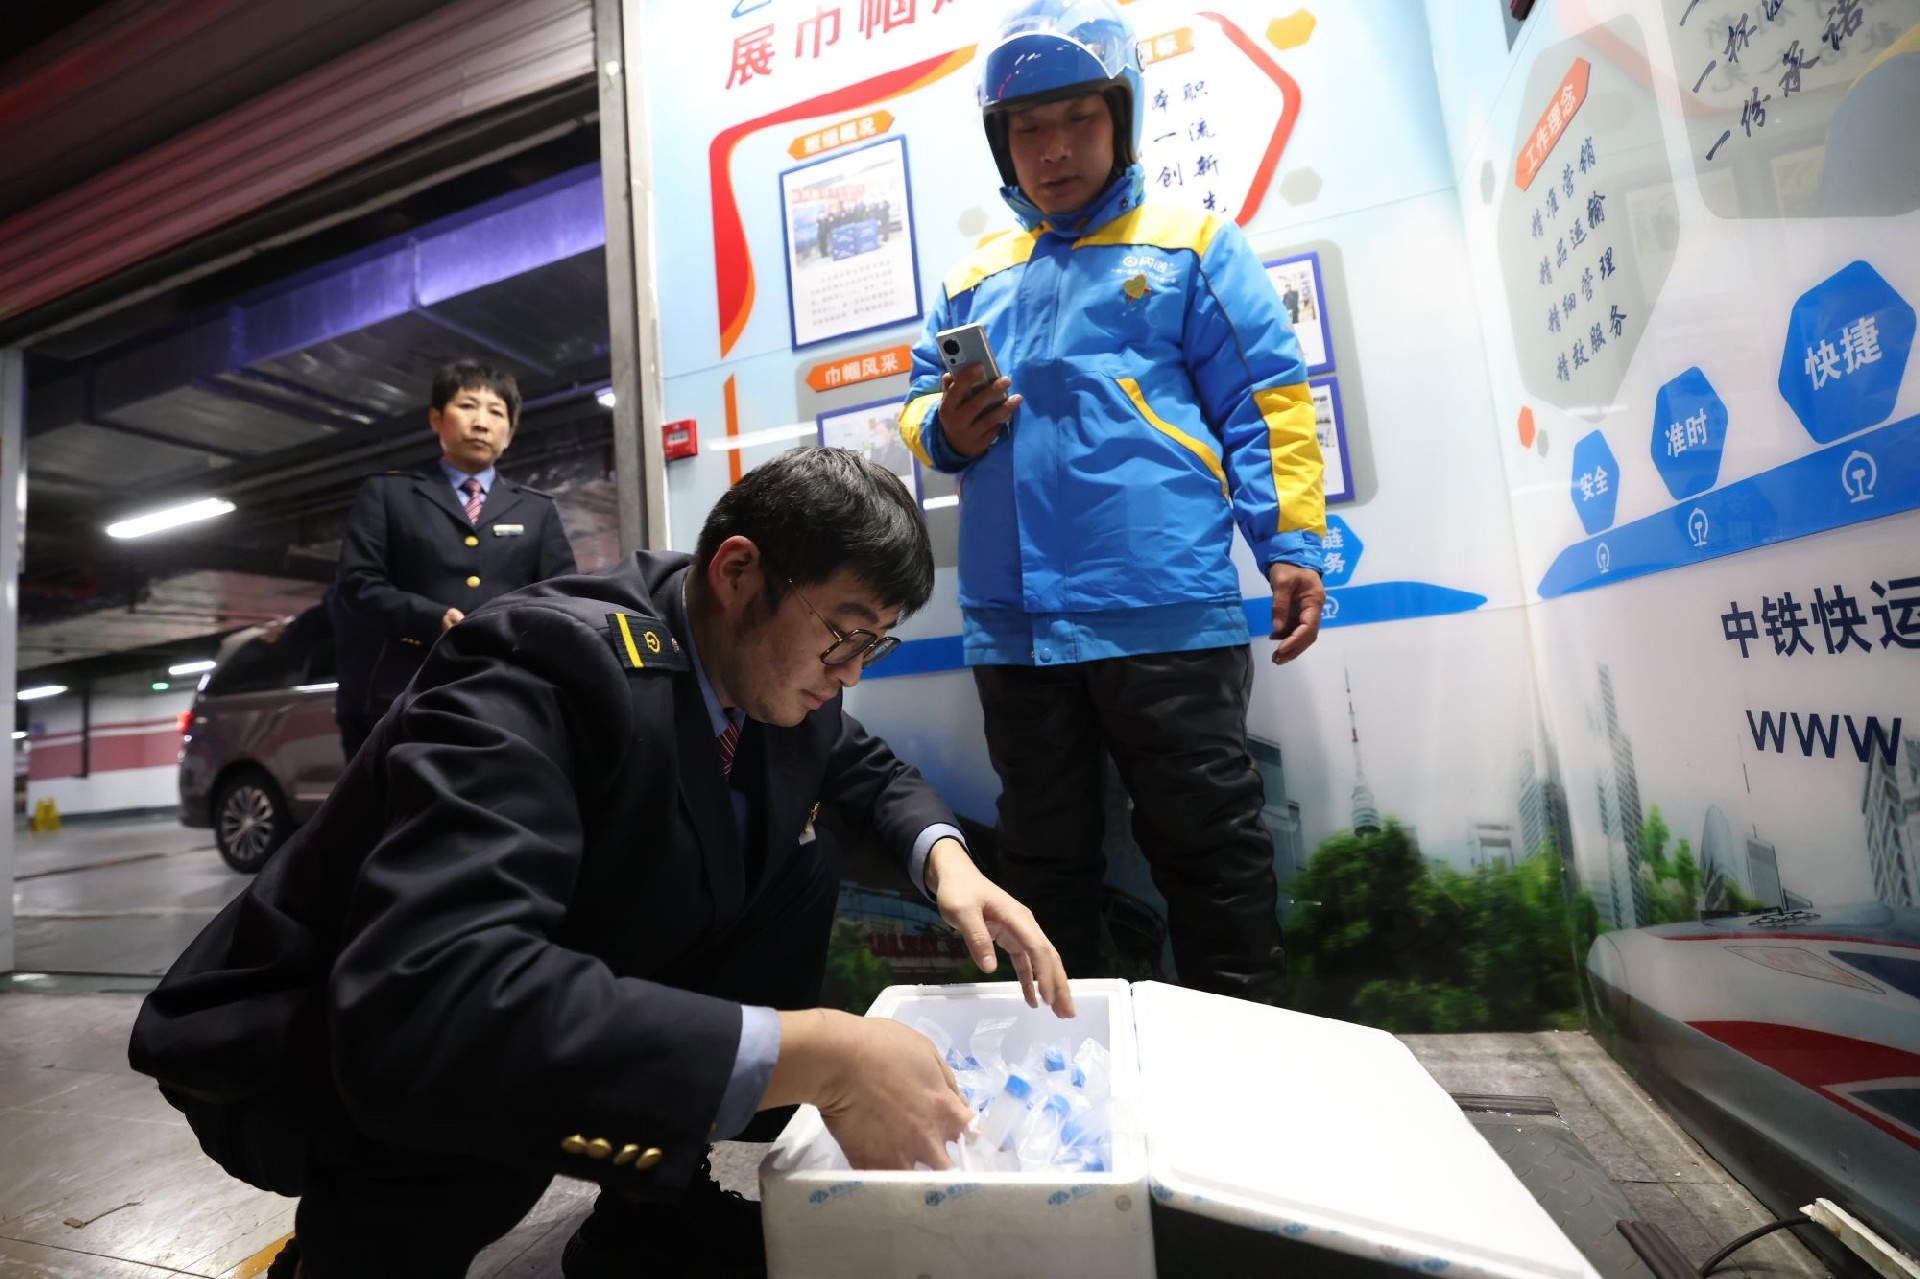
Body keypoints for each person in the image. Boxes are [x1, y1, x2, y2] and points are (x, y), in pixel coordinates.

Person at [128, 447, 1071, 1279]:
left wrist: (949, 861)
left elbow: (865, 766)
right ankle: (346, 1255)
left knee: (794, 857)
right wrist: (828, 1052)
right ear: (738, 571)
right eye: (847, 634)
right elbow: (437, 994)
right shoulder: (537, 664)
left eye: (875, 642)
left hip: (474, 990)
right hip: (326, 1039)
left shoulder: (763, 666)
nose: (854, 671)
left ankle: (648, 1221)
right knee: (490, 1114)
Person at [898, 0, 1327, 1006]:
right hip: (1015, 625)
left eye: (1078, 119)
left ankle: (1246, 1053)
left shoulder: (1195, 247)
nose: (1053, 148)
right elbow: (919, 410)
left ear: (1122, 117)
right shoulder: (971, 278)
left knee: (1210, 850)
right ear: (1003, 142)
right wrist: (945, 429)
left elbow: (1267, 399)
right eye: (1027, 128)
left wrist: (1292, 542)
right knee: (1043, 864)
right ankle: (1067, 1063)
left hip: (1163, 609)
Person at [336, 358, 576, 732]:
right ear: (437, 419)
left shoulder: (537, 509)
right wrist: (429, 618)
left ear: (509, 434)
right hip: (413, 686)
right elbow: (358, 582)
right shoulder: (388, 494)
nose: (481, 422)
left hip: (514, 690)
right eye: (467, 406)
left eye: (496, 412)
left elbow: (562, 596)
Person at [260, 585, 384, 760]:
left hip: (355, 703)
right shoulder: (398, 587)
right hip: (388, 701)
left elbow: (311, 624)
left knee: (364, 772)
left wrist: (287, 628)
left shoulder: (342, 591)